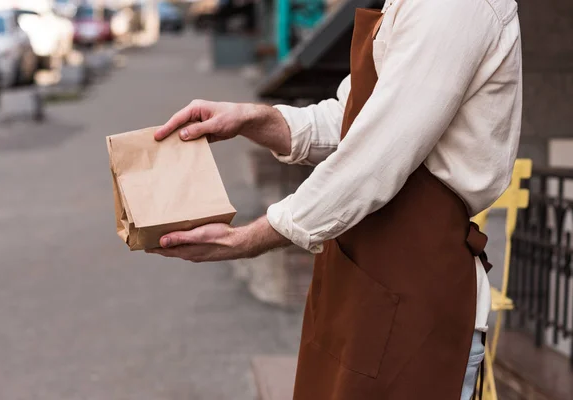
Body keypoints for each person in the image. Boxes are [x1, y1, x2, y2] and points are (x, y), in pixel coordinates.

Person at [148, 0, 522, 398]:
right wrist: (255, 120)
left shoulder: (452, 8)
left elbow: (374, 159)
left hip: (417, 294)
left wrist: (246, 239)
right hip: (362, 283)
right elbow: (353, 121)